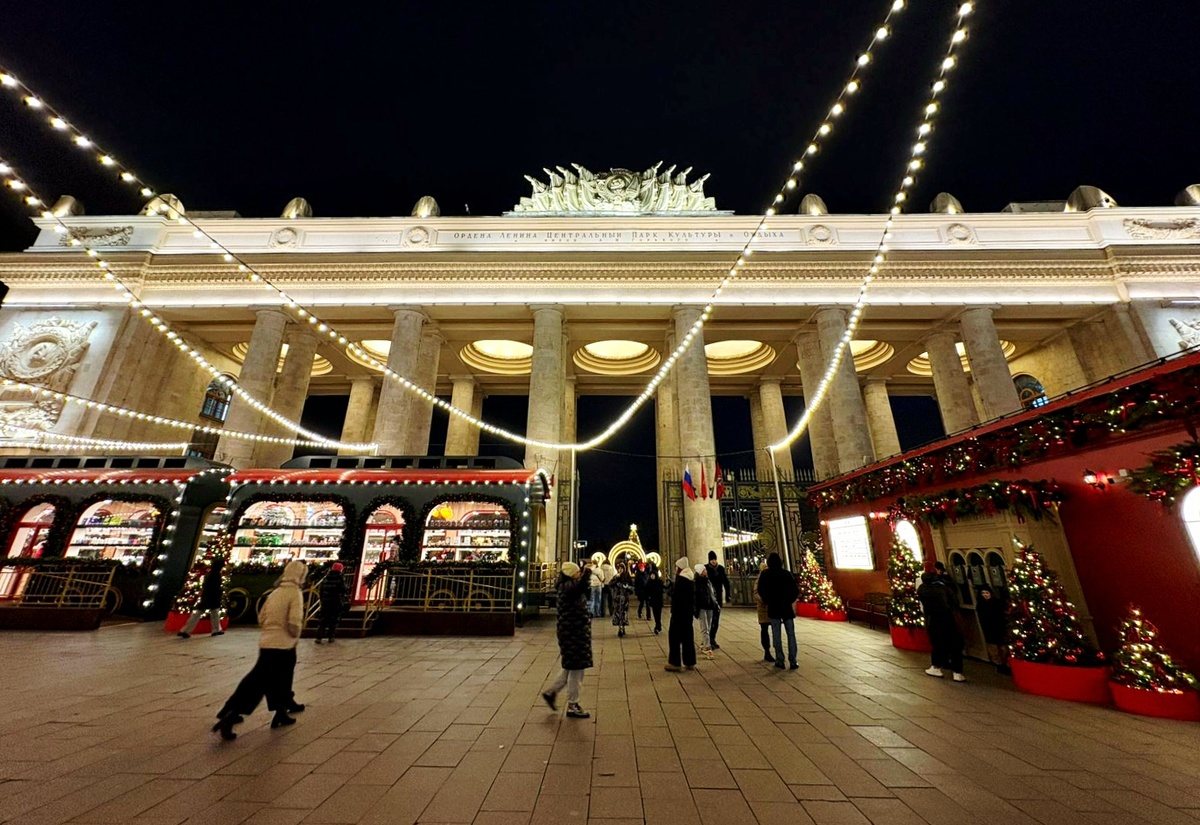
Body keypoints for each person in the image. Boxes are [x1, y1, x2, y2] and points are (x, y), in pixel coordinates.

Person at [212, 560, 308, 740]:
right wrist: (294, 634)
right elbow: (294, 621)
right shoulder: (294, 593)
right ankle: (231, 716)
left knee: (276, 679)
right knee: (262, 682)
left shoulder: (275, 592)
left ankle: (280, 712)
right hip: (283, 644)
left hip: (267, 642)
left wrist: (270, 629)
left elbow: (261, 616)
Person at [542, 561, 593, 719]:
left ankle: (551, 692)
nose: (579, 574)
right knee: (577, 670)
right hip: (573, 633)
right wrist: (587, 573)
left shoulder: (567, 586)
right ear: (571, 574)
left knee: (570, 667)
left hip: (573, 633)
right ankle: (573, 704)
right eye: (577, 572)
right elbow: (581, 587)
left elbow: (583, 590)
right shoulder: (568, 587)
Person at [918, 571, 966, 682]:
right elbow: (955, 602)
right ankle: (957, 672)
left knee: (937, 644)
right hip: (949, 619)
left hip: (933, 620)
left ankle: (936, 667)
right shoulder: (945, 588)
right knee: (955, 645)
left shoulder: (922, 589)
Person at [757, 552, 799, 670]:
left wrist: (768, 600)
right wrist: (789, 600)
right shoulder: (786, 574)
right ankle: (793, 660)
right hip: (786, 607)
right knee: (791, 634)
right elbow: (794, 590)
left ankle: (780, 659)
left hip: (774, 607)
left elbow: (761, 589)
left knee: (776, 634)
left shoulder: (766, 574)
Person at [178, 554, 225, 639]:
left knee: (198, 613)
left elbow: (206, 585)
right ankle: (216, 629)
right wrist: (219, 592)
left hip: (206, 595)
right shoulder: (216, 575)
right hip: (213, 596)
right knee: (214, 612)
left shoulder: (209, 574)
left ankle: (185, 630)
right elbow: (215, 586)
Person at [665, 557, 697, 672]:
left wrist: (671, 590)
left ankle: (675, 662)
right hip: (687, 613)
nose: (675, 569)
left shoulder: (681, 580)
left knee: (674, 637)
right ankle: (690, 661)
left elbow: (677, 596)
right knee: (688, 637)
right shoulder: (690, 579)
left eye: (676, 567)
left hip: (679, 613)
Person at [975, 584, 1010, 675]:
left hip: (999, 627)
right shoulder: (981, 605)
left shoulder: (997, 603)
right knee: (994, 649)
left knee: (1003, 648)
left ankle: (1005, 663)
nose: (985, 595)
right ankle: (999, 665)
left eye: (987, 593)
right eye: (983, 593)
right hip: (989, 629)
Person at [315, 562, 348, 643]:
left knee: (323, 619)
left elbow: (321, 590)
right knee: (334, 619)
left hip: (325, 601)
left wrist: (322, 599)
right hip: (335, 601)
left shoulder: (326, 577)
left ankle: (319, 637)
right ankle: (330, 636)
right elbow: (343, 589)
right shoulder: (340, 578)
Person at [704, 551, 730, 650]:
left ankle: (712, 638)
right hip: (708, 598)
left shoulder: (721, 569)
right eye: (711, 560)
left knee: (716, 619)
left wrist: (727, 595)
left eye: (714, 559)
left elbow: (726, 582)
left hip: (718, 597)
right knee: (709, 620)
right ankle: (707, 639)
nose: (713, 561)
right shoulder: (705, 568)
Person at [693, 563, 717, 659]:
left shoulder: (708, 581)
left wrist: (714, 603)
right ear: (700, 572)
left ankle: (704, 643)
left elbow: (712, 593)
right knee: (705, 627)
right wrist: (696, 609)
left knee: (709, 627)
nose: (706, 571)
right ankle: (708, 647)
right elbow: (695, 597)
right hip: (702, 607)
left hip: (710, 606)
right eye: (704, 570)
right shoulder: (696, 583)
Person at [754, 562, 772, 662]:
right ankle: (767, 651)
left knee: (774, 629)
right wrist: (764, 600)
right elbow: (756, 593)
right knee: (764, 629)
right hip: (763, 608)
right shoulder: (759, 580)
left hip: (772, 608)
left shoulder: (771, 578)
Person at [610, 566, 634, 637]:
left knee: (624, 612)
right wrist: (615, 581)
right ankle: (620, 628)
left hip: (624, 598)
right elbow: (610, 584)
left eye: (621, 569)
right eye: (619, 569)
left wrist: (627, 587)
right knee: (618, 613)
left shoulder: (627, 577)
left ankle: (622, 627)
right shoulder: (616, 576)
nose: (620, 570)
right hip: (617, 598)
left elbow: (631, 587)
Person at [643, 566, 664, 634]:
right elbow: (646, 591)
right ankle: (658, 626)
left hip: (659, 601)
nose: (652, 576)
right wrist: (647, 597)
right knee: (655, 614)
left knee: (658, 614)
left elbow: (662, 590)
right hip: (653, 601)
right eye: (651, 575)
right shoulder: (649, 583)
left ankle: (658, 626)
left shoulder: (659, 582)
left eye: (653, 575)